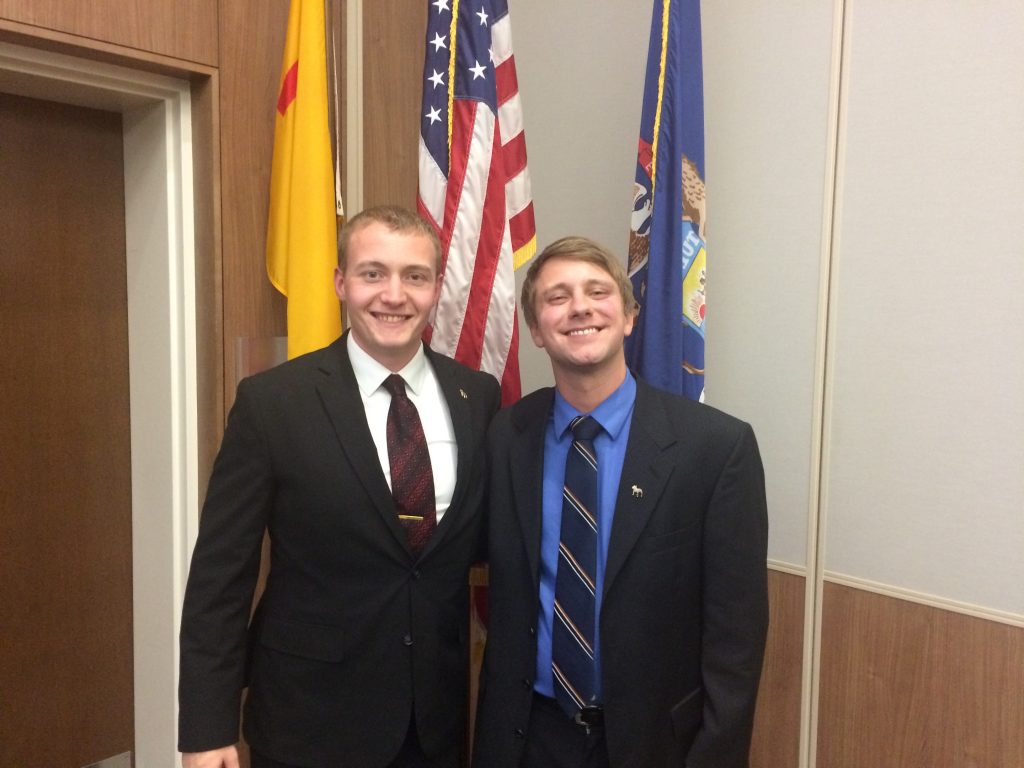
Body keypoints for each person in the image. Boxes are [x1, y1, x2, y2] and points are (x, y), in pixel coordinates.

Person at [178, 206, 500, 768]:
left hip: (435, 724)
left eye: (414, 276)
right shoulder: (273, 402)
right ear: (340, 283)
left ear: (436, 287)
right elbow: (219, 577)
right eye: (373, 273)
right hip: (310, 722)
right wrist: (207, 729)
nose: (393, 295)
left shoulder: (478, 396)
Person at [472, 237, 768, 768]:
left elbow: (736, 641)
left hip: (654, 743)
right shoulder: (506, 436)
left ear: (628, 316)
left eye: (597, 291)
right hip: (526, 736)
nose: (580, 307)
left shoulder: (716, 449)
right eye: (557, 297)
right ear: (537, 330)